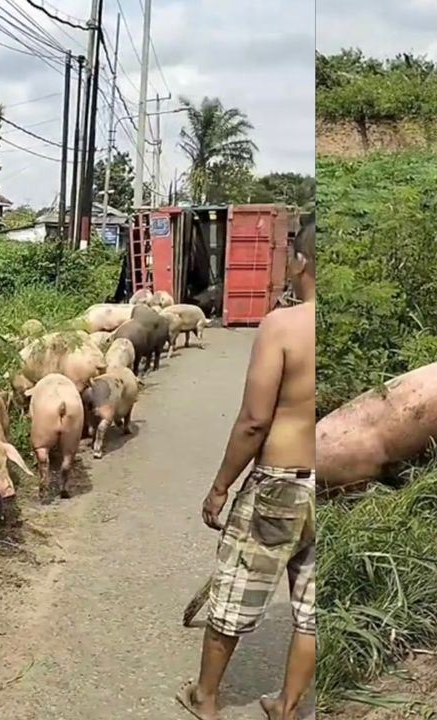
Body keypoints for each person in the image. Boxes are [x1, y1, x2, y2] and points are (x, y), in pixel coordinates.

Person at [177, 219, 317, 720]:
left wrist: (220, 488)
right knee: (310, 611)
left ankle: (206, 698)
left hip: (280, 482)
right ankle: (287, 704)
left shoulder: (284, 326)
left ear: (298, 262)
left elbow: (255, 421)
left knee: (235, 592)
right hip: (330, 480)